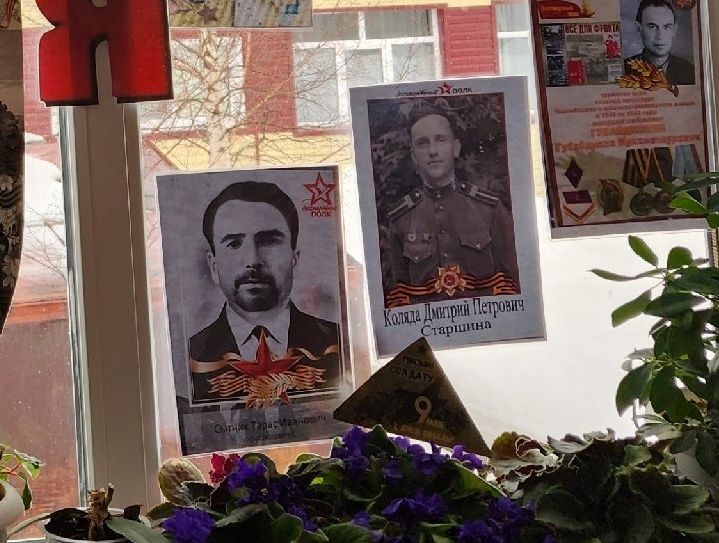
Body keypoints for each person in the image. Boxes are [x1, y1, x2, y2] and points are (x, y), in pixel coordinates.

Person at [183, 181, 340, 404]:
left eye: (269, 241)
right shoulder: (190, 355)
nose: (253, 260)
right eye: (234, 243)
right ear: (213, 266)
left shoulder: (336, 344)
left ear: (294, 258)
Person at [378, 109, 519, 302]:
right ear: (413, 156)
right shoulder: (401, 219)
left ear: (456, 148)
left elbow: (512, 283)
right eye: (423, 143)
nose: (432, 151)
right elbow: (401, 295)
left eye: (441, 140)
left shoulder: (488, 209)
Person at [619, 0, 698, 89]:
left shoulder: (690, 71)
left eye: (667, 27)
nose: (660, 36)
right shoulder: (623, 70)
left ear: (674, 30)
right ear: (639, 28)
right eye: (652, 27)